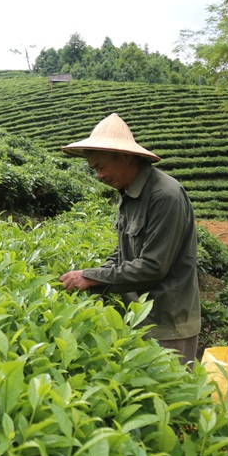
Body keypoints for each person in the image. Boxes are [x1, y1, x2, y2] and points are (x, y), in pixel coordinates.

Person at [58, 113, 200, 366]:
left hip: (167, 325)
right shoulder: (128, 192)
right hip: (138, 317)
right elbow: (122, 252)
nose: (98, 176)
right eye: (94, 170)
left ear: (125, 157)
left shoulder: (165, 196)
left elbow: (153, 267)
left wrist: (91, 276)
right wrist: (92, 276)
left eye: (100, 167)